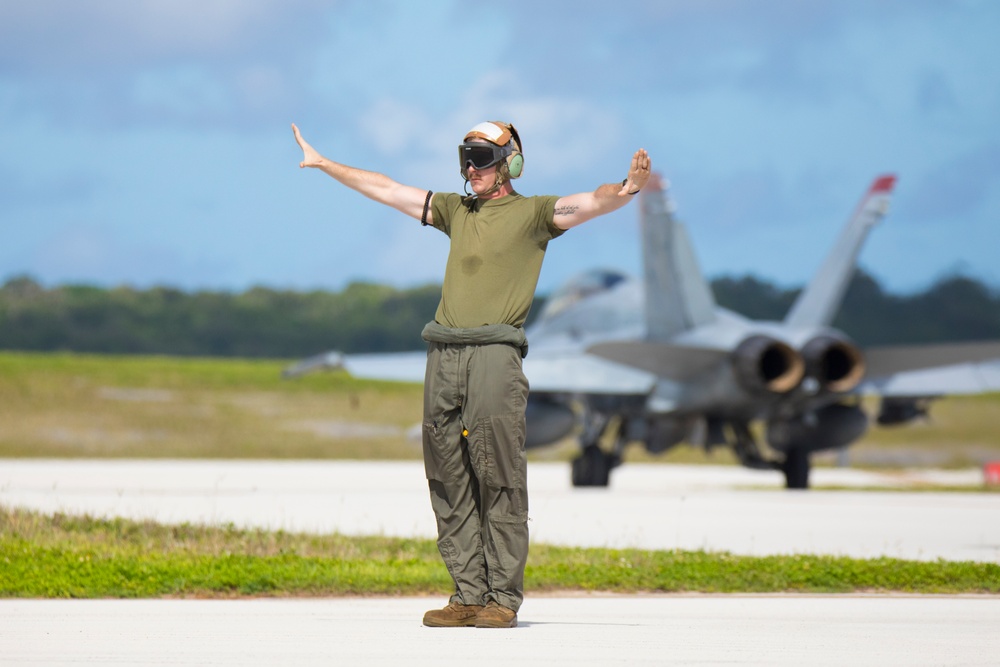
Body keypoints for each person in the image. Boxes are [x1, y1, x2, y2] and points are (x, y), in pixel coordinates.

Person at [292, 120, 651, 628]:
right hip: (443, 353)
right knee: (446, 475)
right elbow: (388, 188)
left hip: (493, 355)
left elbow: (590, 202)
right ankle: (466, 595)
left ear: (511, 164)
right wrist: (326, 164)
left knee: (497, 472)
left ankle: (502, 598)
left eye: (482, 158)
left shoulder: (534, 213)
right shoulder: (454, 210)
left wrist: (627, 188)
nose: (470, 168)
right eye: (466, 157)